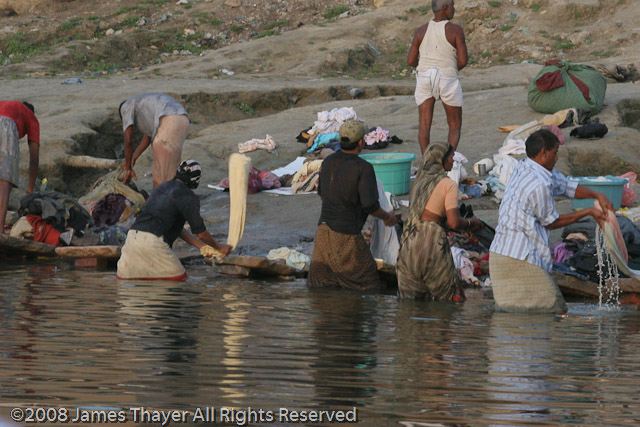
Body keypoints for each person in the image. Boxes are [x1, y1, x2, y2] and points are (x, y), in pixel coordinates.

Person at [489, 129, 613, 313]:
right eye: (555, 153)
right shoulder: (538, 184)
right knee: (553, 309)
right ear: (543, 152)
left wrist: (597, 194)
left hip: (502, 254)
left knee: (523, 318)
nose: (556, 158)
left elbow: (565, 186)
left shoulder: (525, 166)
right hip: (519, 258)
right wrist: (587, 212)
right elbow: (551, 222)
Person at [308, 120, 398, 290]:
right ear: (360, 142)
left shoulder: (328, 162)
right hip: (346, 238)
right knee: (369, 283)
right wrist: (388, 217)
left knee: (321, 287)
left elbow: (322, 195)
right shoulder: (363, 168)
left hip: (322, 235)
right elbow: (370, 205)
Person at [117, 160, 232, 280]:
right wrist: (219, 247)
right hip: (153, 242)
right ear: (195, 180)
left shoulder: (162, 187)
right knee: (179, 281)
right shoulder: (188, 196)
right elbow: (201, 233)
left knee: (131, 284)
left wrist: (202, 247)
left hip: (131, 240)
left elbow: (178, 229)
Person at [396, 142, 483, 301]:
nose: (452, 161)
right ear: (440, 160)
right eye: (450, 157)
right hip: (432, 239)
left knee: (411, 300)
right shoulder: (447, 184)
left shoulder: (419, 183)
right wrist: (471, 223)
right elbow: (455, 223)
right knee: (449, 297)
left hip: (410, 240)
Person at [407, 0, 467, 154]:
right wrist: (449, 68)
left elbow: (411, 60)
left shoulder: (421, 30)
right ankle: (448, 159)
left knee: (424, 125)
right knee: (454, 124)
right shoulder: (455, 30)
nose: (454, 9)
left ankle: (427, 162)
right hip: (447, 77)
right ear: (446, 8)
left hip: (425, 77)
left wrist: (426, 67)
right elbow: (462, 60)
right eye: (452, 6)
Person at [119, 93, 190, 188]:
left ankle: (159, 202)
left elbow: (128, 139)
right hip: (183, 119)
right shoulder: (143, 104)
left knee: (159, 176)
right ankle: (172, 199)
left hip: (167, 120)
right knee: (171, 171)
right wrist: (134, 157)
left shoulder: (126, 106)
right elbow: (148, 136)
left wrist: (128, 168)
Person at [0, 101, 39, 234]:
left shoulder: (5, 104)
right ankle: (0, 230)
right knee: (5, 181)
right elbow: (34, 159)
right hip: (6, 127)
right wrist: (30, 189)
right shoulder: (31, 117)